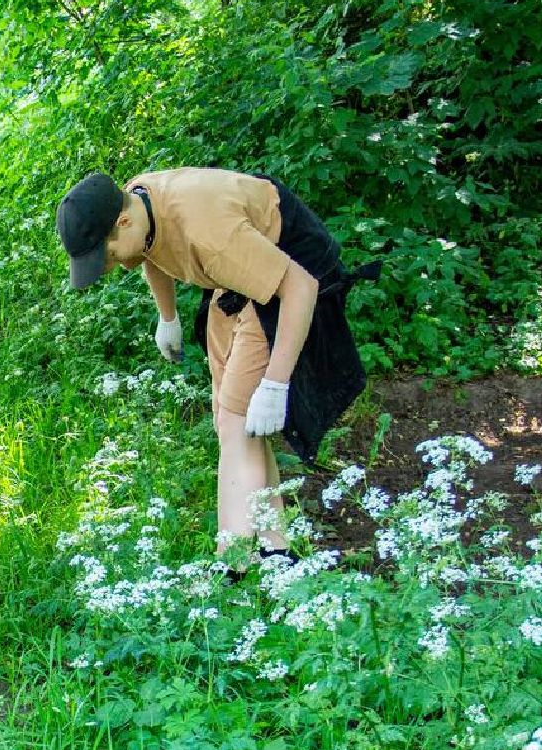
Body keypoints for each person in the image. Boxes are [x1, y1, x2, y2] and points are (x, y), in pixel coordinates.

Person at [56, 168, 376, 566]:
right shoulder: (138, 201)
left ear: (123, 222)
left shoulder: (208, 232)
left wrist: (275, 384)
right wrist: (167, 316)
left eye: (108, 255)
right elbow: (146, 249)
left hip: (289, 269)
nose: (111, 266)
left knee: (239, 420)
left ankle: (235, 563)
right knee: (231, 416)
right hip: (234, 278)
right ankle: (275, 548)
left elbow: (301, 287)